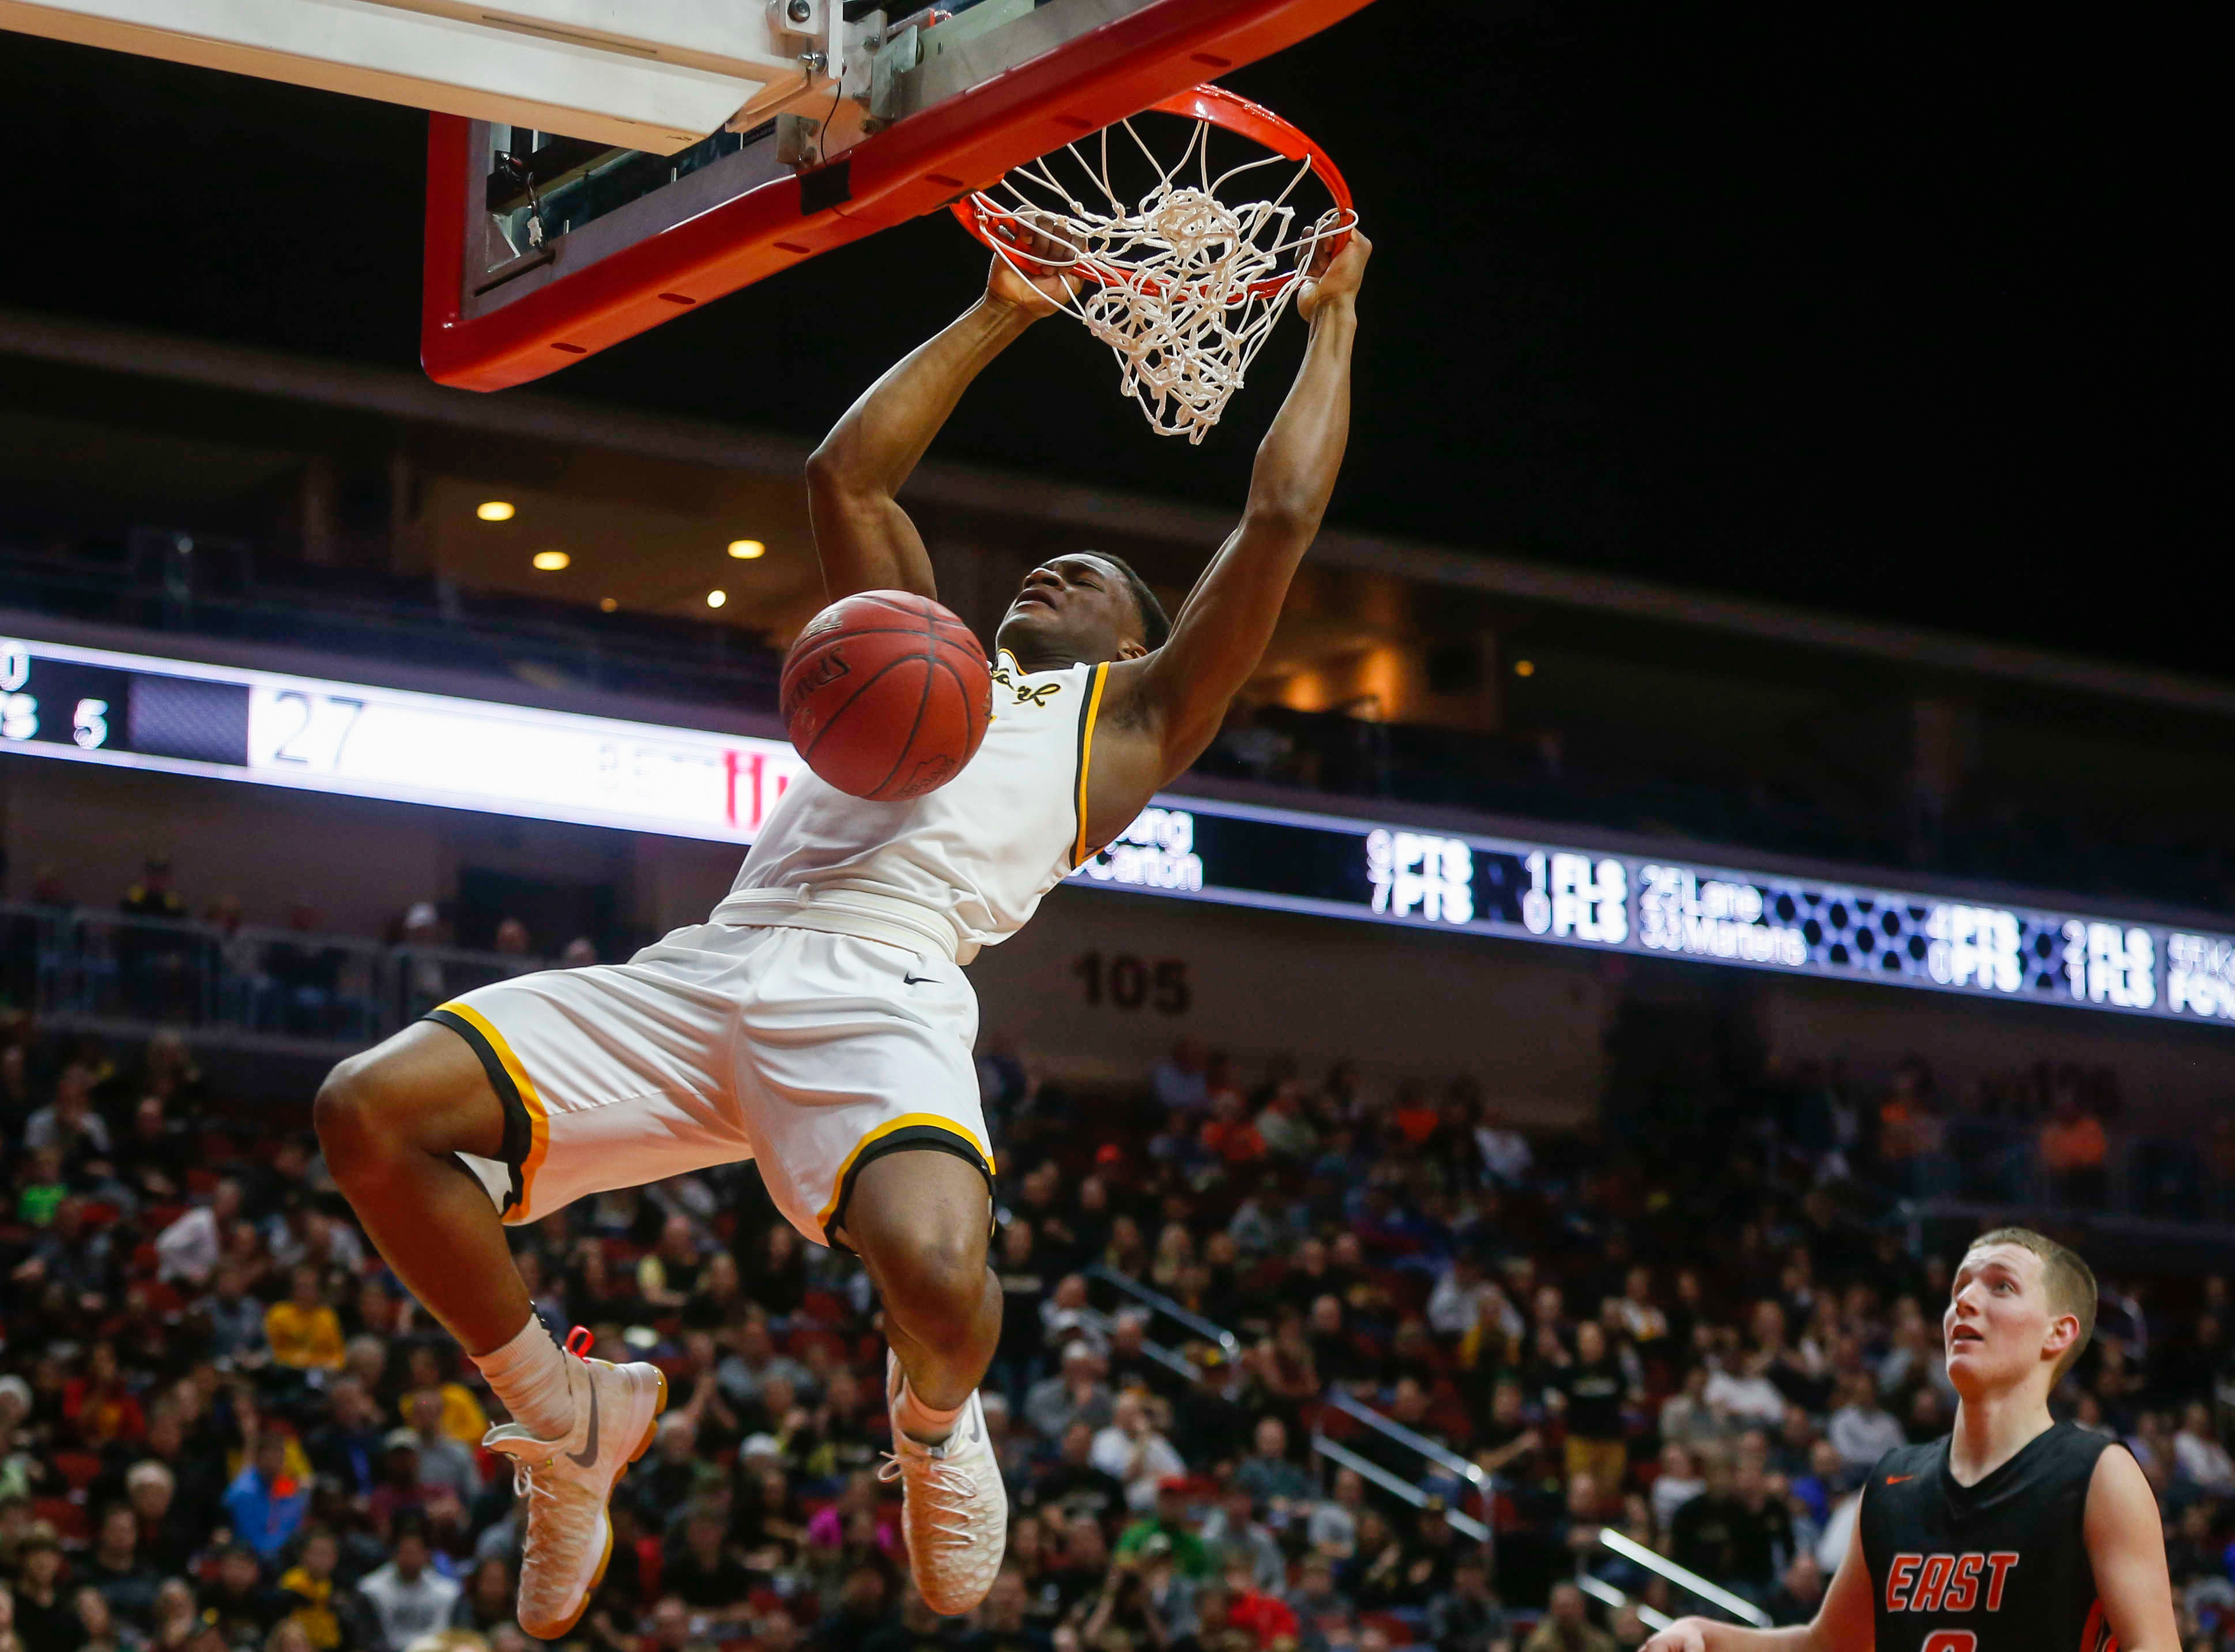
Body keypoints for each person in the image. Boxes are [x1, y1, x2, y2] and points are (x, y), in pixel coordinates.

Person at [311, 222, 1370, 1630]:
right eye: (1040, 565)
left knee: (937, 1275)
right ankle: (562, 1412)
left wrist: (1333, 319)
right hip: (714, 959)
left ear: (1135, 636)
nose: (1046, 575)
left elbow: (1281, 518)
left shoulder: (1132, 721)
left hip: (885, 984)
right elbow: (844, 472)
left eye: (1086, 574)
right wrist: (999, 311)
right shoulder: (918, 644)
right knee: (366, 1112)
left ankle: (934, 1424)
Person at [1645, 1227, 2179, 1651]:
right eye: (1960, 1287)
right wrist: (1707, 1636)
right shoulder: (1894, 1484)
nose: (1966, 1301)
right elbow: (1829, 1646)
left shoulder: (2096, 1473)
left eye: (2001, 1286)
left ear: (2057, 1333)